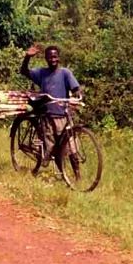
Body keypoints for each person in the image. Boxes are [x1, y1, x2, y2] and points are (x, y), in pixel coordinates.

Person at [19, 44, 84, 179]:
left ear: (58, 58)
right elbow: (24, 71)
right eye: (49, 57)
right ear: (46, 59)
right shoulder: (42, 73)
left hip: (64, 115)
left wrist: (78, 94)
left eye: (54, 57)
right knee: (53, 146)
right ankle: (61, 173)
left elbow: (75, 88)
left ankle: (78, 176)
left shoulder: (65, 73)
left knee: (72, 146)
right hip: (48, 116)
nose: (52, 59)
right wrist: (27, 57)